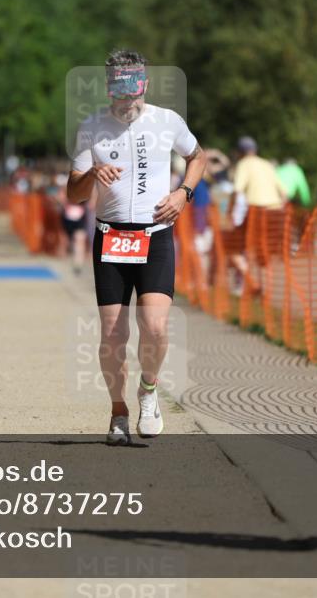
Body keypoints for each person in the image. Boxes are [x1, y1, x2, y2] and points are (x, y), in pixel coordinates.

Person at [67, 49, 206, 445]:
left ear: (143, 86)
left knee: (156, 325)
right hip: (111, 238)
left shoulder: (167, 121)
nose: (129, 104)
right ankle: (118, 411)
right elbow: (73, 194)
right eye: (121, 96)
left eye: (135, 96)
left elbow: (197, 157)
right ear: (110, 90)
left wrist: (183, 193)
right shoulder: (92, 128)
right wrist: (92, 173)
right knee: (113, 335)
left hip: (155, 235)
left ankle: (149, 389)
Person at [228, 136, 287, 295]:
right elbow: (284, 193)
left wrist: (230, 210)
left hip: (257, 211)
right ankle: (266, 290)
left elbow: (237, 190)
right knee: (264, 252)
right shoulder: (267, 164)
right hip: (275, 211)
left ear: (240, 152)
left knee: (234, 249)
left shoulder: (243, 164)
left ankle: (252, 284)